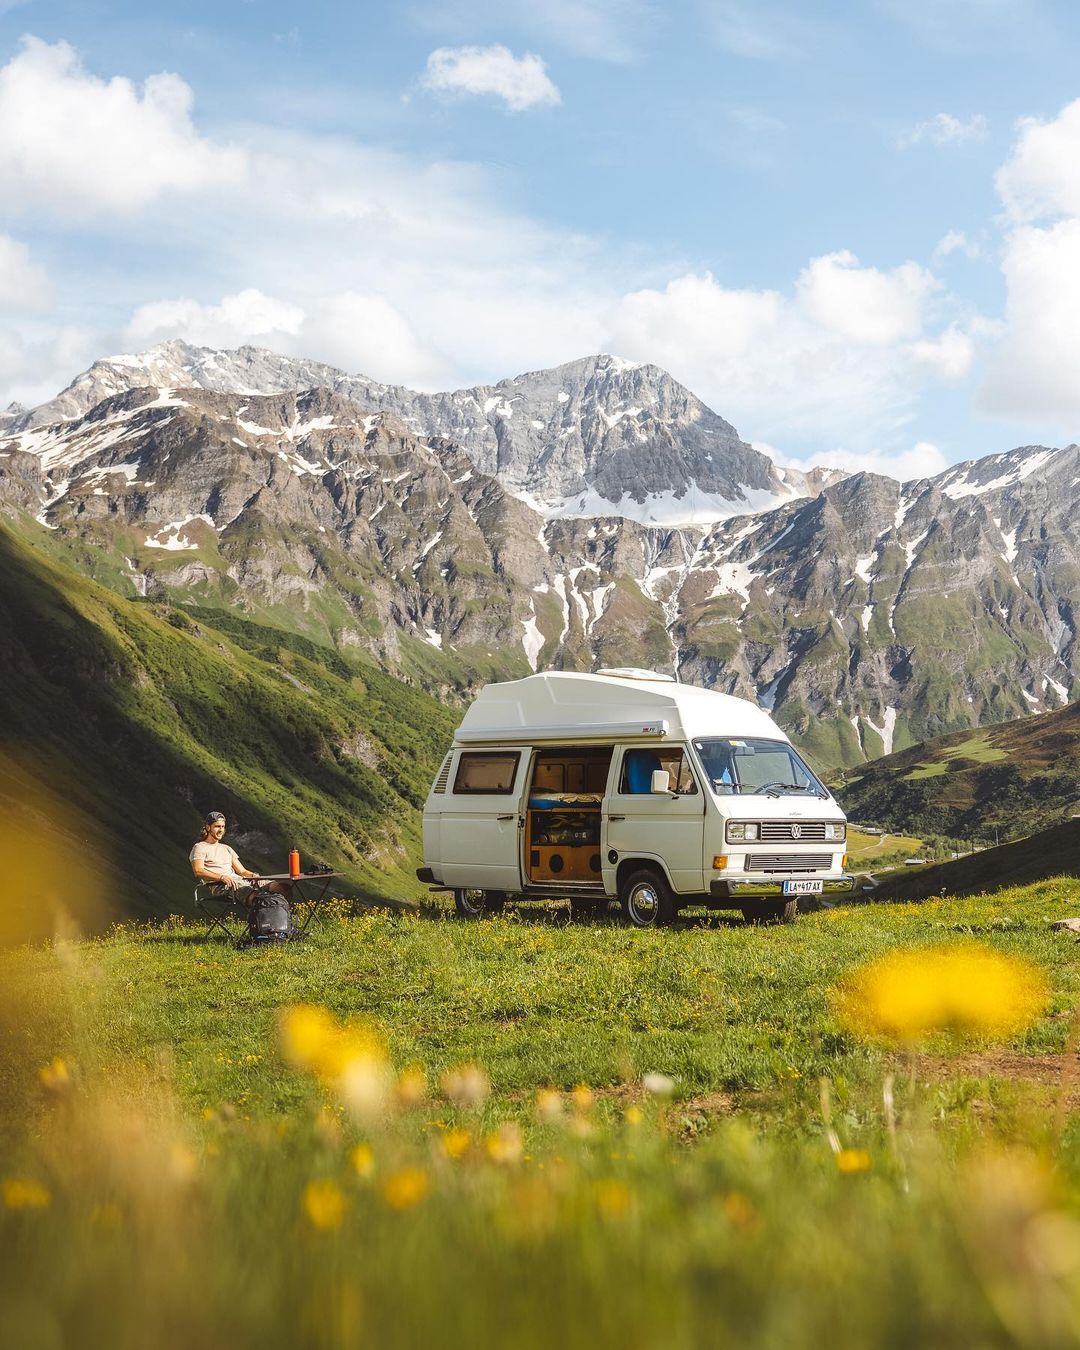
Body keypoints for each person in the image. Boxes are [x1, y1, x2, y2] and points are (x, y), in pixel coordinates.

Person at [189, 811, 292, 906]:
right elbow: (198, 871)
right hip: (222, 885)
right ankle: (264, 922)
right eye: (217, 826)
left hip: (241, 881)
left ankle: (287, 920)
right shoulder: (200, 847)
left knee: (282, 888)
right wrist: (221, 877)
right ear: (208, 827)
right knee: (258, 898)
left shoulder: (226, 848)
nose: (221, 830)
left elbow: (242, 871)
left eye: (223, 827)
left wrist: (254, 876)